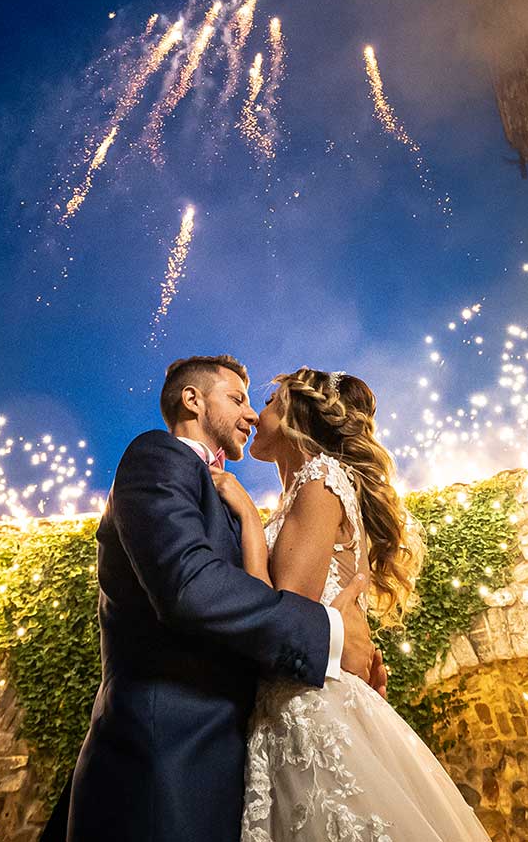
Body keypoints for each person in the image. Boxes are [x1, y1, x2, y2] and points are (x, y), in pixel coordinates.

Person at [58, 355, 384, 842]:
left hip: (235, 761)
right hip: (165, 761)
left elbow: (255, 602)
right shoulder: (156, 456)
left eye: (258, 402)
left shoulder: (233, 502)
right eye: (237, 400)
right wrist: (329, 634)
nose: (252, 415)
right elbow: (191, 586)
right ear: (193, 400)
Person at [219, 367, 490, 842]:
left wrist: (244, 514)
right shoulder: (304, 490)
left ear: (292, 412)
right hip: (295, 699)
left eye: (266, 403)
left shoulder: (321, 477)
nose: (255, 416)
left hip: (309, 701)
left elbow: (287, 610)